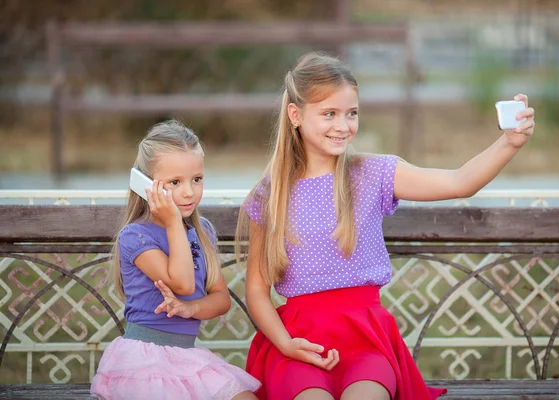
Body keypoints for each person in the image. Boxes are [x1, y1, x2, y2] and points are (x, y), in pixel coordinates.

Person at [236, 52, 535, 400]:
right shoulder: (270, 194)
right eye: (329, 113)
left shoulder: (372, 174)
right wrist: (286, 344)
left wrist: (508, 143)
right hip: (299, 344)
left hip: (366, 341)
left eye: (351, 113)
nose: (342, 125)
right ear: (296, 115)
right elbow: (257, 291)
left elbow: (459, 182)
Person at [91, 120, 261, 400]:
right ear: (146, 185)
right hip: (144, 360)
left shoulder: (202, 231)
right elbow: (181, 282)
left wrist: (190, 308)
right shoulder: (136, 236)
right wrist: (173, 223)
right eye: (174, 182)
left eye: (196, 179)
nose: (188, 192)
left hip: (187, 357)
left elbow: (220, 299)